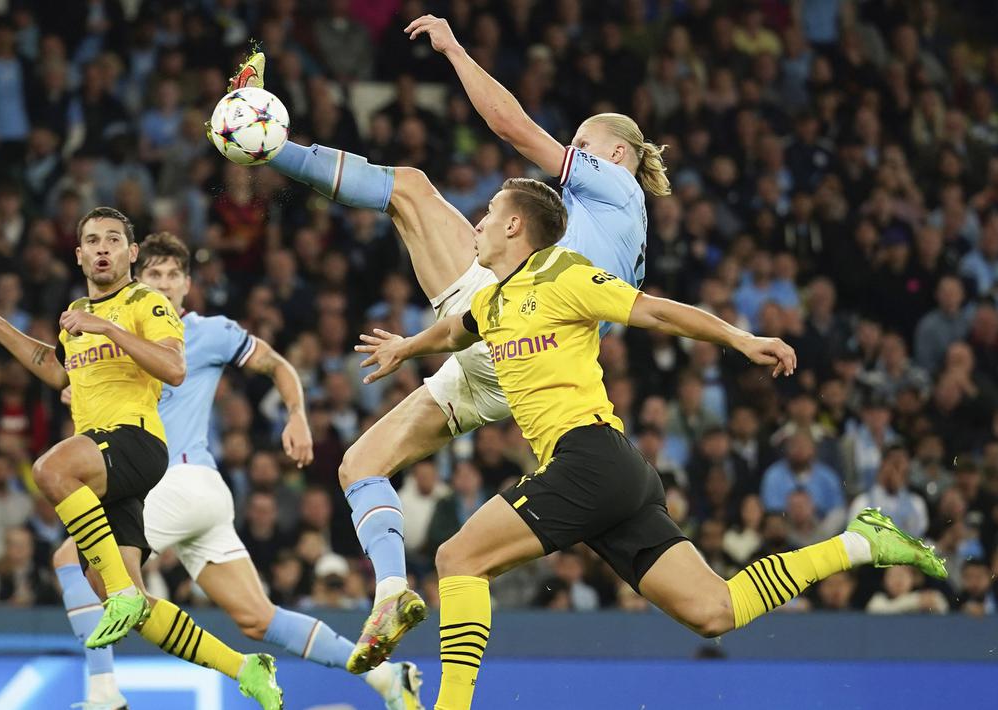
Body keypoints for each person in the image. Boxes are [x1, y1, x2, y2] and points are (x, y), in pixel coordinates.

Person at [356, 179, 947, 707]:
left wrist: (741, 340)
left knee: (458, 558)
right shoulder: (491, 300)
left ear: (514, 225)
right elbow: (456, 330)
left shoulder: (564, 274)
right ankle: (860, 543)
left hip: (589, 458)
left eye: (488, 213)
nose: (477, 223)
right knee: (714, 610)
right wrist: (406, 347)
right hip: (613, 477)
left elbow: (658, 313)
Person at [222, 15, 672, 665]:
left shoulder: (615, 183)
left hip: (513, 324)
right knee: (359, 465)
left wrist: (455, 50)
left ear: (619, 155)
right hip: (514, 370)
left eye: (583, 143)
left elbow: (513, 127)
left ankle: (267, 146)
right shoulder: (625, 238)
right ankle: (390, 593)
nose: (572, 153)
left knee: (407, 188)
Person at [52, 232, 421, 710]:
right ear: (138, 281)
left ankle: (103, 692)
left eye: (173, 275)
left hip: (179, 481)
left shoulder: (209, 332)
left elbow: (277, 364)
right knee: (258, 618)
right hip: (195, 496)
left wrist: (297, 415)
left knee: (75, 558)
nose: (164, 283)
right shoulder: (116, 335)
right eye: (154, 274)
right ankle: (388, 679)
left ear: (188, 285)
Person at [0, 207, 282, 708]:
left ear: (131, 253)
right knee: (119, 594)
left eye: (112, 239)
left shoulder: (146, 301)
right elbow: (56, 369)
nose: (102, 247)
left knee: (49, 470)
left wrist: (107, 329)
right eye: (92, 240)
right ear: (78, 254)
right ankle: (245, 667)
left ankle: (118, 623)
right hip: (105, 462)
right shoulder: (76, 313)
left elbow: (174, 367)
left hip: (135, 441)